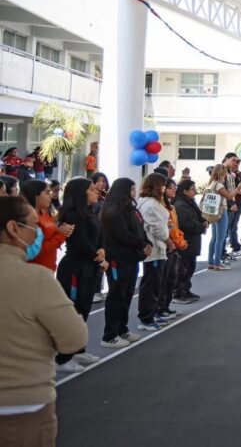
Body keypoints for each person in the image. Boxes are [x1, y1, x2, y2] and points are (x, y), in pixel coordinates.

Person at [0, 195, 88, 445]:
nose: (37, 233)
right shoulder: (36, 279)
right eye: (33, 226)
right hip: (22, 406)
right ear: (13, 228)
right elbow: (75, 338)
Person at [53, 177, 104, 373]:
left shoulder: (90, 213)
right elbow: (81, 243)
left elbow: (99, 236)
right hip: (75, 268)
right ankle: (62, 357)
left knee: (84, 308)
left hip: (90, 267)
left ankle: (78, 349)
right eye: (91, 189)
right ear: (80, 193)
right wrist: (98, 257)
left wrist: (102, 249)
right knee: (73, 312)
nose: (96, 191)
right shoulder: (73, 215)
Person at [101, 178, 152, 348]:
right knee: (117, 295)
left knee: (127, 294)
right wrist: (142, 244)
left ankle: (122, 329)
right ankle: (109, 335)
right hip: (118, 259)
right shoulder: (113, 211)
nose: (134, 193)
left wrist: (146, 243)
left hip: (131, 258)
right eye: (131, 190)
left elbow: (140, 230)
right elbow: (123, 235)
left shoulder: (131, 209)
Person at [136, 173, 169, 331]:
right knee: (151, 284)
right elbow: (157, 228)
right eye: (162, 185)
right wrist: (169, 241)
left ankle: (152, 313)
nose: (164, 188)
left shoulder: (149, 202)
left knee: (155, 283)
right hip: (154, 248)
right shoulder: (150, 204)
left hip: (156, 247)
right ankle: (146, 318)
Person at [21, 180, 72, 272]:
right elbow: (36, 250)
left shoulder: (44, 213)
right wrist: (61, 234)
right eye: (47, 193)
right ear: (36, 196)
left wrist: (59, 230)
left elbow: (50, 234)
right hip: (36, 270)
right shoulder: (30, 218)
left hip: (49, 267)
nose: (51, 196)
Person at [158, 178, 187, 321]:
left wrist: (179, 240)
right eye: (171, 187)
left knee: (171, 279)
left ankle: (166, 307)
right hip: (167, 247)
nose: (174, 189)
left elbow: (174, 227)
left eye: (175, 187)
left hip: (173, 246)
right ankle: (160, 309)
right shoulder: (161, 207)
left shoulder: (171, 206)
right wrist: (174, 242)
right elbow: (167, 227)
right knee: (163, 280)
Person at [172, 179, 205, 303]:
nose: (195, 192)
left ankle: (186, 290)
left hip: (191, 242)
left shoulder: (190, 202)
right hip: (185, 242)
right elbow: (187, 224)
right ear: (185, 191)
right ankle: (179, 293)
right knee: (183, 269)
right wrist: (201, 227)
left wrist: (203, 221)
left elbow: (198, 216)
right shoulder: (180, 205)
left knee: (189, 267)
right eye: (193, 190)